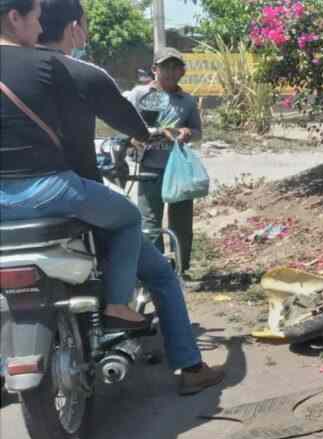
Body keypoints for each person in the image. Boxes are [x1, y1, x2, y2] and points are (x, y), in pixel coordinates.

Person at [37, 0, 224, 395]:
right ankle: (183, 362)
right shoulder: (83, 74)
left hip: (12, 206)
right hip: (73, 194)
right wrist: (147, 135)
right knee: (151, 256)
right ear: (72, 28)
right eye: (84, 26)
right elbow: (132, 127)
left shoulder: (186, 101)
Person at [0, 0, 149, 329]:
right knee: (128, 218)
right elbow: (91, 117)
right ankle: (116, 305)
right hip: (49, 190)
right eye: (36, 19)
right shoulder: (49, 64)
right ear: (14, 18)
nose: (40, 29)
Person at [124, 47, 201, 276]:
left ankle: (180, 269)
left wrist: (187, 132)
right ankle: (157, 270)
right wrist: (150, 134)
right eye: (165, 66)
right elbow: (126, 127)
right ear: (154, 69)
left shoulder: (186, 100)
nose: (169, 71)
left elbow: (198, 132)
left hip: (178, 171)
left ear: (182, 72)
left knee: (182, 225)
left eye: (175, 67)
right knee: (150, 224)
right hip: (149, 169)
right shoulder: (142, 95)